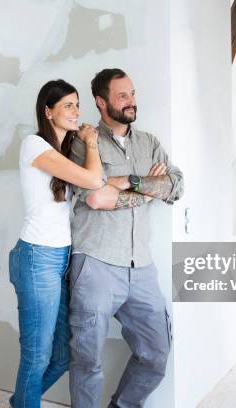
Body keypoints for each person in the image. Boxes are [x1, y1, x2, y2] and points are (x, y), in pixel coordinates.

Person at [68, 68, 184, 407]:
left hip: (141, 267)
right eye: (122, 95)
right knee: (87, 360)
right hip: (95, 263)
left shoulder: (149, 143)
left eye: (132, 93)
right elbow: (95, 197)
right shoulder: (82, 142)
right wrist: (149, 188)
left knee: (156, 352)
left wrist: (127, 181)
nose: (131, 101)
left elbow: (176, 186)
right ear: (101, 102)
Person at [8, 79, 104, 408]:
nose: (76, 112)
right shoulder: (34, 146)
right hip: (37, 259)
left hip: (61, 261)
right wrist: (91, 141)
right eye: (68, 105)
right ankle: (24, 402)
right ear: (48, 111)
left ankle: (21, 401)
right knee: (36, 358)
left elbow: (97, 184)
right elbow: (93, 179)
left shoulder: (62, 157)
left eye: (78, 104)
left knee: (62, 355)